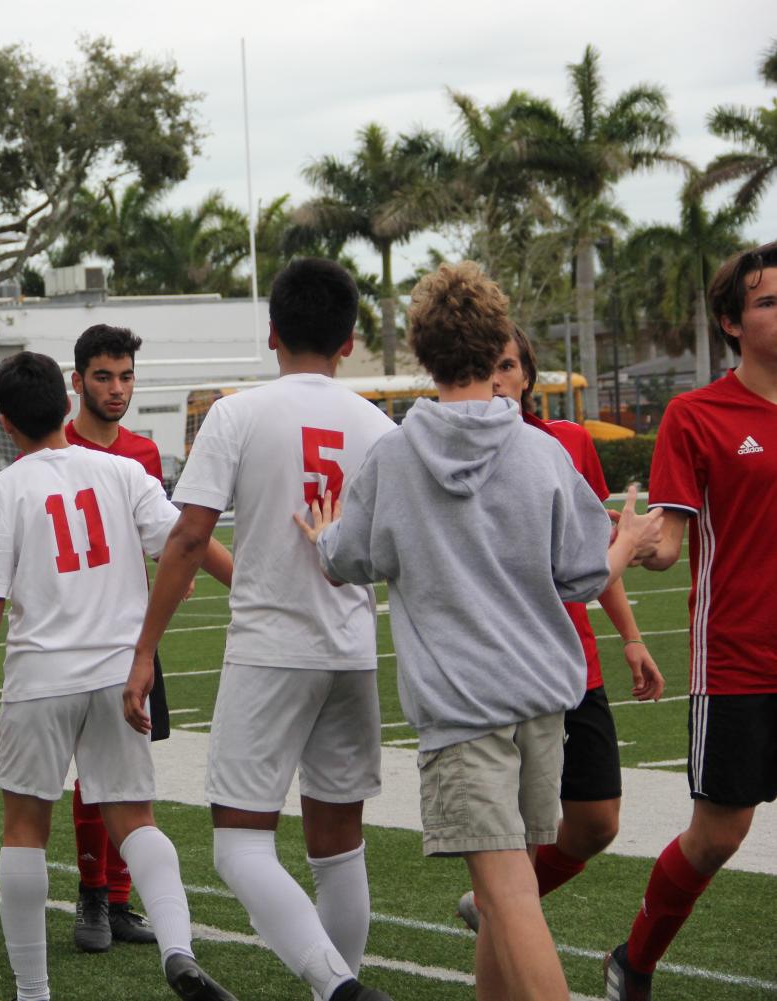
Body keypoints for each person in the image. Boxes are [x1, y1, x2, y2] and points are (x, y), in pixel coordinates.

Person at [301, 262, 661, 1001]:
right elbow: (580, 575)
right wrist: (623, 542)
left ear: (421, 351)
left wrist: (322, 537)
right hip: (542, 702)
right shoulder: (541, 450)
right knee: (513, 883)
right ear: (497, 342)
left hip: (462, 712)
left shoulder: (392, 457)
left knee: (505, 891)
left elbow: (347, 560)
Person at [129, 260, 396, 1001]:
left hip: (271, 650)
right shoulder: (379, 426)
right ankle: (339, 987)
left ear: (271, 332)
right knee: (339, 847)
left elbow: (186, 540)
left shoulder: (235, 412)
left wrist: (145, 647)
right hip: (350, 649)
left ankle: (336, 988)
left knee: (239, 843)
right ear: (348, 342)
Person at [0, 351, 238, 1001]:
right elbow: (187, 540)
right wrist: (249, 586)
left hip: (42, 676)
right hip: (117, 672)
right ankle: (177, 947)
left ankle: (32, 990)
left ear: (4, 421)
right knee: (134, 817)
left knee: (24, 828)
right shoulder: (122, 470)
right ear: (67, 397)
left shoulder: (2, 491)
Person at [603, 242, 777, 1001]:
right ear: (729, 322)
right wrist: (633, 543)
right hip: (737, 656)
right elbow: (670, 545)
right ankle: (632, 959)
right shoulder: (694, 414)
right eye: (767, 301)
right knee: (716, 837)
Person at [454, 326, 664, 932]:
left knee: (597, 821)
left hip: (574, 660)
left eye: (507, 365)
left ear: (527, 376)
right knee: (512, 835)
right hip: (499, 670)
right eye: (484, 366)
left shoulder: (568, 443)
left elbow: (597, 550)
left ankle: (497, 908)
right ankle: (505, 920)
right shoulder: (456, 451)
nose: (497, 378)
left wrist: (631, 637)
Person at [60, 323, 167, 952]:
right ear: (78, 381)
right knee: (88, 773)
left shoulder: (145, 453)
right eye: (104, 376)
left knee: (132, 769)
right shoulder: (53, 446)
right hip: (74, 637)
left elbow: (159, 539)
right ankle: (92, 896)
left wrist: (170, 578)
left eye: (126, 376)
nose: (117, 388)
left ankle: (121, 902)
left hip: (133, 636)